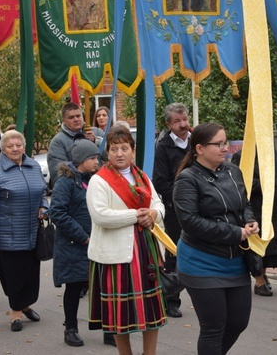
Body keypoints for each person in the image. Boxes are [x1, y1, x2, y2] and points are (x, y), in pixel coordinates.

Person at [172, 122, 258, 354]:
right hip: (202, 262)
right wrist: (235, 233)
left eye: (225, 142)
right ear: (199, 149)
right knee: (213, 327)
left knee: (238, 322)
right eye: (218, 144)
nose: (224, 148)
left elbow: (244, 204)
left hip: (236, 260)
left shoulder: (233, 171)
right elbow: (190, 222)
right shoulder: (187, 179)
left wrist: (249, 220)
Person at [87, 126, 166, 355]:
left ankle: (149, 353)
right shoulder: (99, 181)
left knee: (150, 308)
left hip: (145, 250)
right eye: (114, 149)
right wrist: (137, 215)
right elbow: (100, 215)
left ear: (133, 151)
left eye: (124, 148)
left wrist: (153, 214)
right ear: (107, 153)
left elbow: (158, 205)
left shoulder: (142, 177)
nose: (119, 154)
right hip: (116, 254)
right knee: (119, 313)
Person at [0, 130, 48, 332]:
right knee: (14, 275)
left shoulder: (34, 166)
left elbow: (43, 193)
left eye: (18, 145)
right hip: (6, 234)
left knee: (31, 274)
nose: (15, 149)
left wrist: (44, 207)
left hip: (32, 231)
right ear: (2, 149)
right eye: (10, 146)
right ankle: (16, 313)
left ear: (24, 146)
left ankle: (25, 305)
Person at [50, 140, 100, 347]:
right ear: (81, 160)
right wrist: (82, 236)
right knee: (74, 287)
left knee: (100, 287)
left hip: (94, 242)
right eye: (93, 158)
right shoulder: (66, 182)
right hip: (74, 244)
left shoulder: (94, 179)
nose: (97, 161)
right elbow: (58, 213)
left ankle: (107, 328)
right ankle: (70, 328)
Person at [231, 148, 277, 297]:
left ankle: (263, 274)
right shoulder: (241, 156)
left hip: (273, 208)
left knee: (270, 247)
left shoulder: (271, 151)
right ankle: (259, 281)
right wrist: (265, 183)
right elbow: (241, 183)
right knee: (256, 244)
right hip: (255, 207)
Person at [152, 102, 191, 317]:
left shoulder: (197, 142)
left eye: (185, 119)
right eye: (177, 121)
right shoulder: (163, 147)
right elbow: (160, 182)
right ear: (168, 124)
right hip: (176, 211)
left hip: (199, 208)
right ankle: (171, 300)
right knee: (175, 254)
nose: (183, 124)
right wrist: (182, 199)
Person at [47, 102, 103, 189]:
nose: (76, 119)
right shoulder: (58, 142)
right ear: (64, 120)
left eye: (78, 116)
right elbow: (59, 175)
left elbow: (112, 153)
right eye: (71, 117)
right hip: (77, 192)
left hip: (101, 186)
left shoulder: (97, 132)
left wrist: (97, 141)